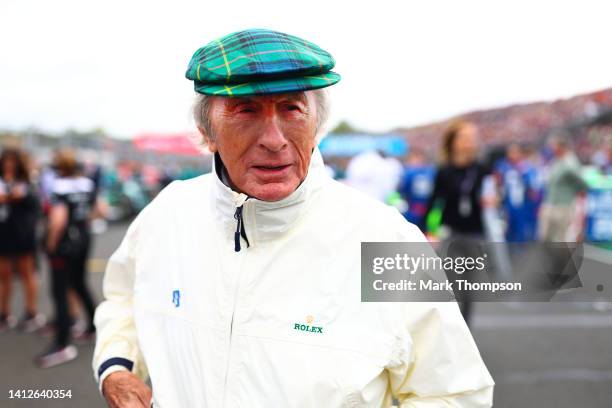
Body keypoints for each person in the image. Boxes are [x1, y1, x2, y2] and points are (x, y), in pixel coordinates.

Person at [93, 29, 494, 407]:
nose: (274, 139)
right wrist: (116, 368)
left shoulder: (385, 239)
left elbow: (454, 392)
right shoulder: (167, 216)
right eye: (245, 110)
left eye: (292, 109)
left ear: (316, 124)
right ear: (206, 130)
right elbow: (123, 300)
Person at [425, 120, 494, 324]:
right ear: (453, 142)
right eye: (465, 137)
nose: (470, 142)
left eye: (473, 138)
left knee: (468, 287)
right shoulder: (444, 171)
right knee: (452, 283)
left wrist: (495, 200)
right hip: (450, 233)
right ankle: (451, 328)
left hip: (476, 234)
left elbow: (494, 196)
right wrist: (428, 230)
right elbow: (434, 203)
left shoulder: (483, 169)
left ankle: (465, 329)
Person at [36, 149, 98, 368]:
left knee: (60, 291)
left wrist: (50, 244)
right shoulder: (87, 183)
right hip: (84, 239)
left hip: (64, 244)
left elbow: (58, 220)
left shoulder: (59, 186)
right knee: (79, 283)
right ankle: (93, 327)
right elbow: (99, 209)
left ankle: (62, 344)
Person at [0, 147, 44, 333]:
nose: (9, 165)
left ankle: (31, 312)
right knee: (4, 275)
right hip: (3, 234)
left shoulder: (29, 182)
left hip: (23, 235)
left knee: (28, 273)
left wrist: (18, 196)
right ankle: (4, 314)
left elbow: (37, 207)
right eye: (6, 161)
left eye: (13, 161)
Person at [539, 131, 588, 242]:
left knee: (559, 239)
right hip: (552, 204)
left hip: (563, 207)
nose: (551, 148)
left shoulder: (570, 162)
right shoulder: (557, 160)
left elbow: (582, 184)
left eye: (553, 145)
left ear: (561, 146)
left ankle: (560, 259)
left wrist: (573, 195)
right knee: (547, 237)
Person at [397, 148, 436, 231]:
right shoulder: (432, 171)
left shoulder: (409, 172)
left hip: (412, 211)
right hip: (428, 212)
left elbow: (402, 191)